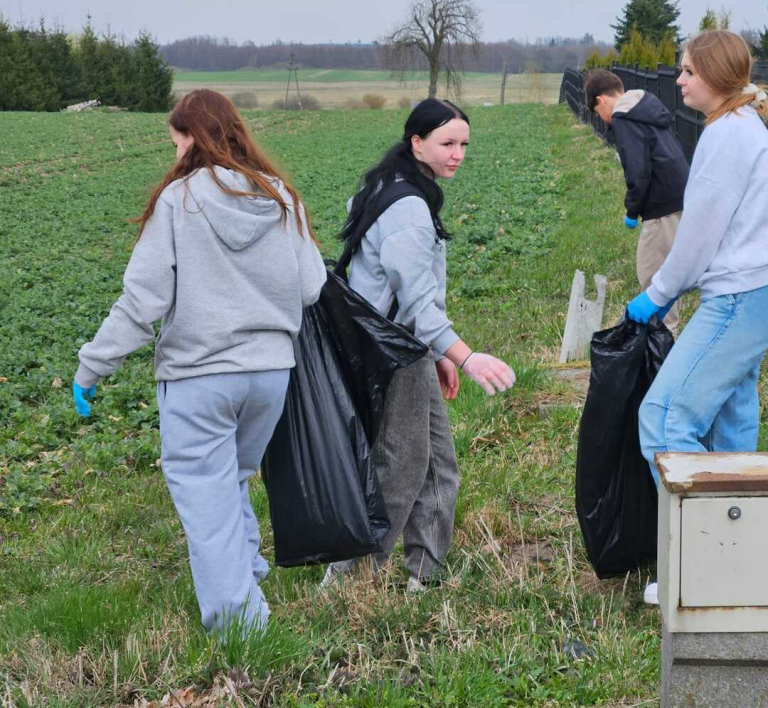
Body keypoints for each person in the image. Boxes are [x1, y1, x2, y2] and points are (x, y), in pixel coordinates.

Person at [73, 89, 327, 633]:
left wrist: (92, 367)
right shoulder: (280, 196)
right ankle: (248, 574)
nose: (175, 153)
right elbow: (311, 287)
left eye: (177, 141)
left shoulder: (178, 202)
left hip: (199, 377)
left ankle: (243, 630)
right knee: (231, 477)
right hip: (269, 376)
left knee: (207, 501)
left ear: (193, 138)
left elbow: (142, 303)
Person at [624, 31, 768, 605]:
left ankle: (698, 562)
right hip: (763, 293)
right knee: (730, 431)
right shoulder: (743, 125)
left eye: (687, 72)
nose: (678, 81)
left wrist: (658, 293)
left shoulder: (726, 137)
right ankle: (741, 562)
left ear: (718, 79)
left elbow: (698, 237)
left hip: (740, 299)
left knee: (666, 414)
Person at [323, 98, 515, 591]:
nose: (458, 154)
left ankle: (425, 574)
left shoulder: (391, 185)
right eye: (447, 143)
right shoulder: (408, 205)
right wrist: (463, 356)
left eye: (464, 144)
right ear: (417, 142)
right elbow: (416, 298)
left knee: (435, 461)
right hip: (394, 352)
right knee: (403, 464)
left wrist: (436, 355)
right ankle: (349, 577)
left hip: (405, 347)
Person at [585, 68, 690, 331]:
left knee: (652, 275)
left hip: (661, 206)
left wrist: (632, 211)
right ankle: (667, 330)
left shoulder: (624, 117)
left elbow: (638, 170)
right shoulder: (645, 108)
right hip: (678, 198)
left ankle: (663, 340)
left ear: (601, 101)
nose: (604, 120)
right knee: (667, 270)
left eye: (598, 113)